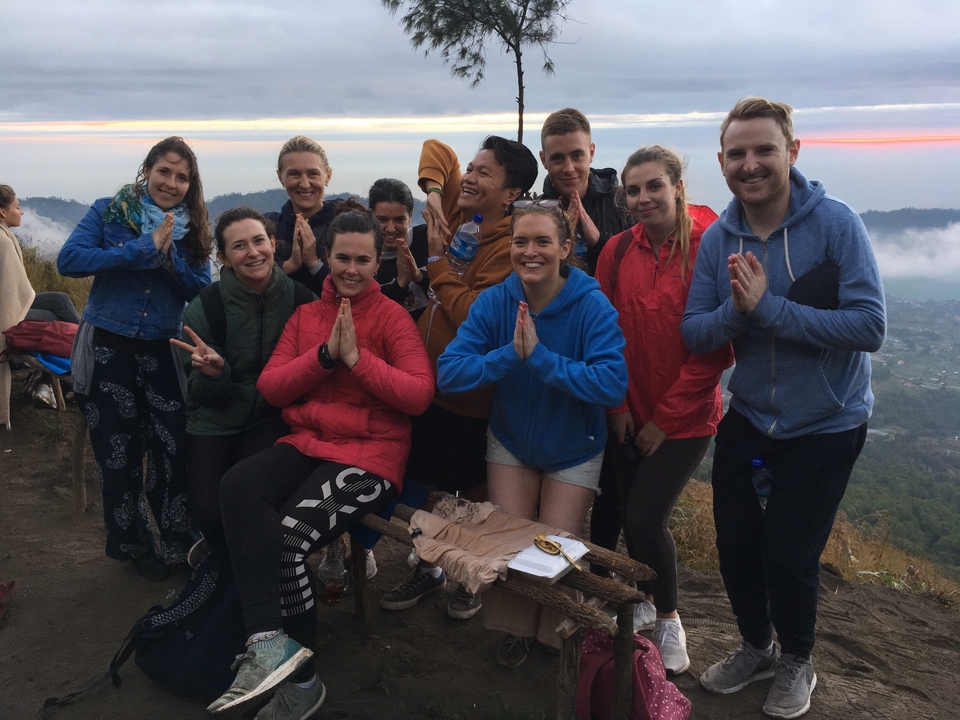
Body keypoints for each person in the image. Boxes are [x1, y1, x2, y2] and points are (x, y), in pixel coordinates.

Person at [680, 98, 885, 719]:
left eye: (764, 149)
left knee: (789, 554)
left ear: (792, 152)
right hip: (751, 413)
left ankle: (798, 657)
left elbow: (869, 325)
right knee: (737, 543)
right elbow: (695, 331)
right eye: (738, 153)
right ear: (721, 162)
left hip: (829, 419)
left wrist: (768, 310)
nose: (751, 164)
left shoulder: (837, 225)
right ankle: (756, 647)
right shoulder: (719, 239)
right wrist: (738, 312)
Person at [207, 207, 434, 719]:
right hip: (309, 442)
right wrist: (325, 356)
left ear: (379, 261)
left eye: (363, 260)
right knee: (238, 485)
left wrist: (357, 359)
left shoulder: (393, 318)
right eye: (341, 258)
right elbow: (271, 385)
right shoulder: (308, 315)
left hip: (371, 456)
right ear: (325, 257)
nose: (351, 269)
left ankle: (303, 684)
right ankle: (267, 640)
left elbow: (418, 395)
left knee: (289, 536)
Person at [437, 202, 627, 666]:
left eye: (543, 241)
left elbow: (611, 382)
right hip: (512, 442)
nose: (530, 251)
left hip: (573, 447)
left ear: (565, 247)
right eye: (521, 241)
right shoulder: (497, 301)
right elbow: (449, 372)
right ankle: (517, 631)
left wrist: (540, 359)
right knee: (512, 543)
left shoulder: (590, 305)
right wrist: (509, 357)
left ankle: (553, 637)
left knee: (555, 547)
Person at [378, 136, 538, 620]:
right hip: (428, 386)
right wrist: (430, 194)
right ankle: (428, 567)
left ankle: (471, 578)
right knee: (421, 483)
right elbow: (436, 150)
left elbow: (478, 317)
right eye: (471, 168)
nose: (468, 177)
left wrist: (437, 266)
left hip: (473, 397)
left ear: (511, 193)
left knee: (473, 496)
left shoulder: (511, 244)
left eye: (483, 173)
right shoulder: (457, 211)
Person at [596, 146, 732, 675]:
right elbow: (604, 331)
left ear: (678, 186)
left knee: (644, 517)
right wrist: (618, 404)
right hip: (628, 409)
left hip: (687, 416)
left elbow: (716, 350)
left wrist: (663, 420)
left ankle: (670, 617)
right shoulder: (616, 251)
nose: (643, 198)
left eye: (654, 186)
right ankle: (648, 602)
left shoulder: (707, 248)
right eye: (633, 190)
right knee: (635, 517)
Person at [57, 137, 212, 581]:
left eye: (182, 177)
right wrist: (139, 250)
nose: (172, 182)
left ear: (190, 184)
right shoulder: (109, 210)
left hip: (163, 350)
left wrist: (166, 259)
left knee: (172, 451)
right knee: (117, 454)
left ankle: (177, 542)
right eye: (165, 171)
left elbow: (199, 287)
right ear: (147, 170)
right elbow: (70, 259)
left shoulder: (194, 227)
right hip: (109, 345)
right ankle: (135, 546)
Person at [170, 207, 313, 558]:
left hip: (271, 417)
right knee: (207, 510)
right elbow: (201, 397)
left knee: (251, 495)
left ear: (273, 244)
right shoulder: (206, 308)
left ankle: (245, 567)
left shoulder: (299, 300)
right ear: (223, 258)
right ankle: (227, 560)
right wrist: (216, 374)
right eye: (239, 246)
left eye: (259, 241)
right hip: (214, 419)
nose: (252, 252)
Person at [538, 108, 632, 565]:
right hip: (557, 351)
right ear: (544, 159)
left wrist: (596, 239)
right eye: (558, 158)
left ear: (592, 151)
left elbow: (635, 275)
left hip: (610, 350)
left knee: (615, 473)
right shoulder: (537, 209)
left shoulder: (621, 202)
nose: (569, 167)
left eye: (577, 155)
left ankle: (604, 564)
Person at [1, 184, 81, 428]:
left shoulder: (5, 235)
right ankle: (79, 372)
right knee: (49, 317)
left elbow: (16, 288)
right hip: (6, 313)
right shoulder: (2, 242)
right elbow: (8, 295)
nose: (22, 212)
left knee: (59, 300)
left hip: (13, 302)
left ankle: (83, 355)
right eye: (17, 206)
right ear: (3, 212)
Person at [265, 135, 338, 296]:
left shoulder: (347, 225)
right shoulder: (268, 227)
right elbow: (236, 274)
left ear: (328, 176)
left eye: (313, 174)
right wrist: (289, 265)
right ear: (280, 177)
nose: (304, 184)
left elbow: (358, 285)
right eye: (294, 174)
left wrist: (314, 263)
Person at [369, 178, 430, 320]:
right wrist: (400, 283)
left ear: (410, 216)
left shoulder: (426, 238)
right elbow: (372, 313)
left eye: (399, 220)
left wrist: (420, 277)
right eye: (382, 220)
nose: (390, 229)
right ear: (370, 215)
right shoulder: (363, 257)